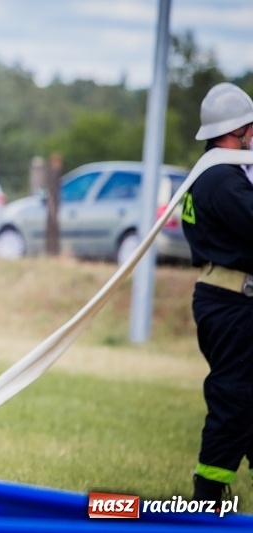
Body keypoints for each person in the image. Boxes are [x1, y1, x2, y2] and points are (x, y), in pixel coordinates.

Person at [181, 81, 253, 501]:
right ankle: (208, 497)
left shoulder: (211, 174)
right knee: (237, 397)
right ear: (238, 131)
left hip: (224, 300)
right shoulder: (222, 180)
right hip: (233, 305)